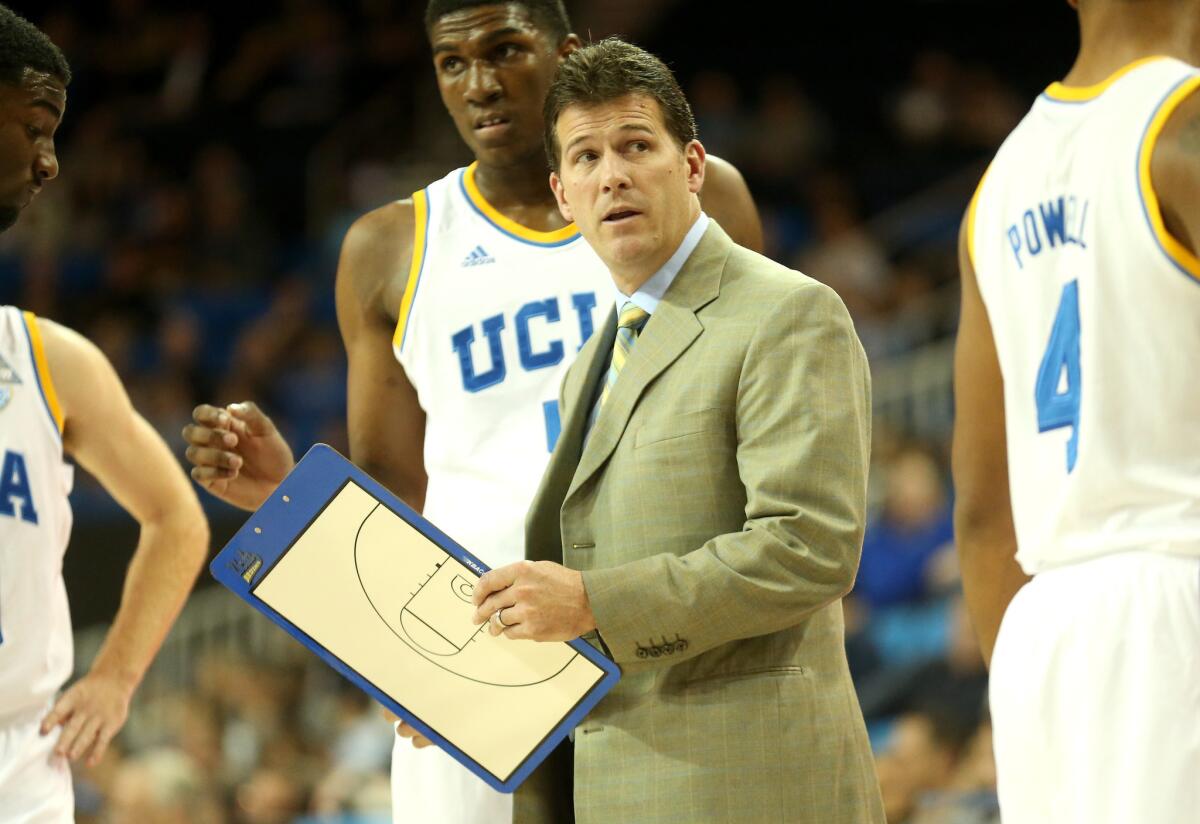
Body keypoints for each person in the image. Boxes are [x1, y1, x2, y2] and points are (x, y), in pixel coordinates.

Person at [181, 2, 761, 822]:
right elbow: (389, 478)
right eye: (453, 64)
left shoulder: (690, 199)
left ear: (566, 55)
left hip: (657, 626)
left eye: (505, 52)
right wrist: (296, 509)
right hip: (477, 655)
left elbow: (756, 418)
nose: (480, 84)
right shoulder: (391, 247)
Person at [467, 37, 883, 823]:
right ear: (563, 194)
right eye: (586, 157)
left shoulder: (788, 312)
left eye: (635, 146)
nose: (612, 174)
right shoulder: (589, 360)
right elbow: (576, 587)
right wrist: (466, 692)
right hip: (614, 788)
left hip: (751, 783)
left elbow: (809, 547)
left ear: (691, 166)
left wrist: (595, 602)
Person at [953, 1, 1200, 820]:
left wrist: (1028, 692)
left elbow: (985, 515)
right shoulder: (1185, 120)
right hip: (1178, 593)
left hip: (1042, 638)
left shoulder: (997, 187)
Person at [0, 5, 209, 820]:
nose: (52, 164)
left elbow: (176, 519)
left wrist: (116, 676)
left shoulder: (49, 359)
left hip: (18, 761)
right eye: (36, 127)